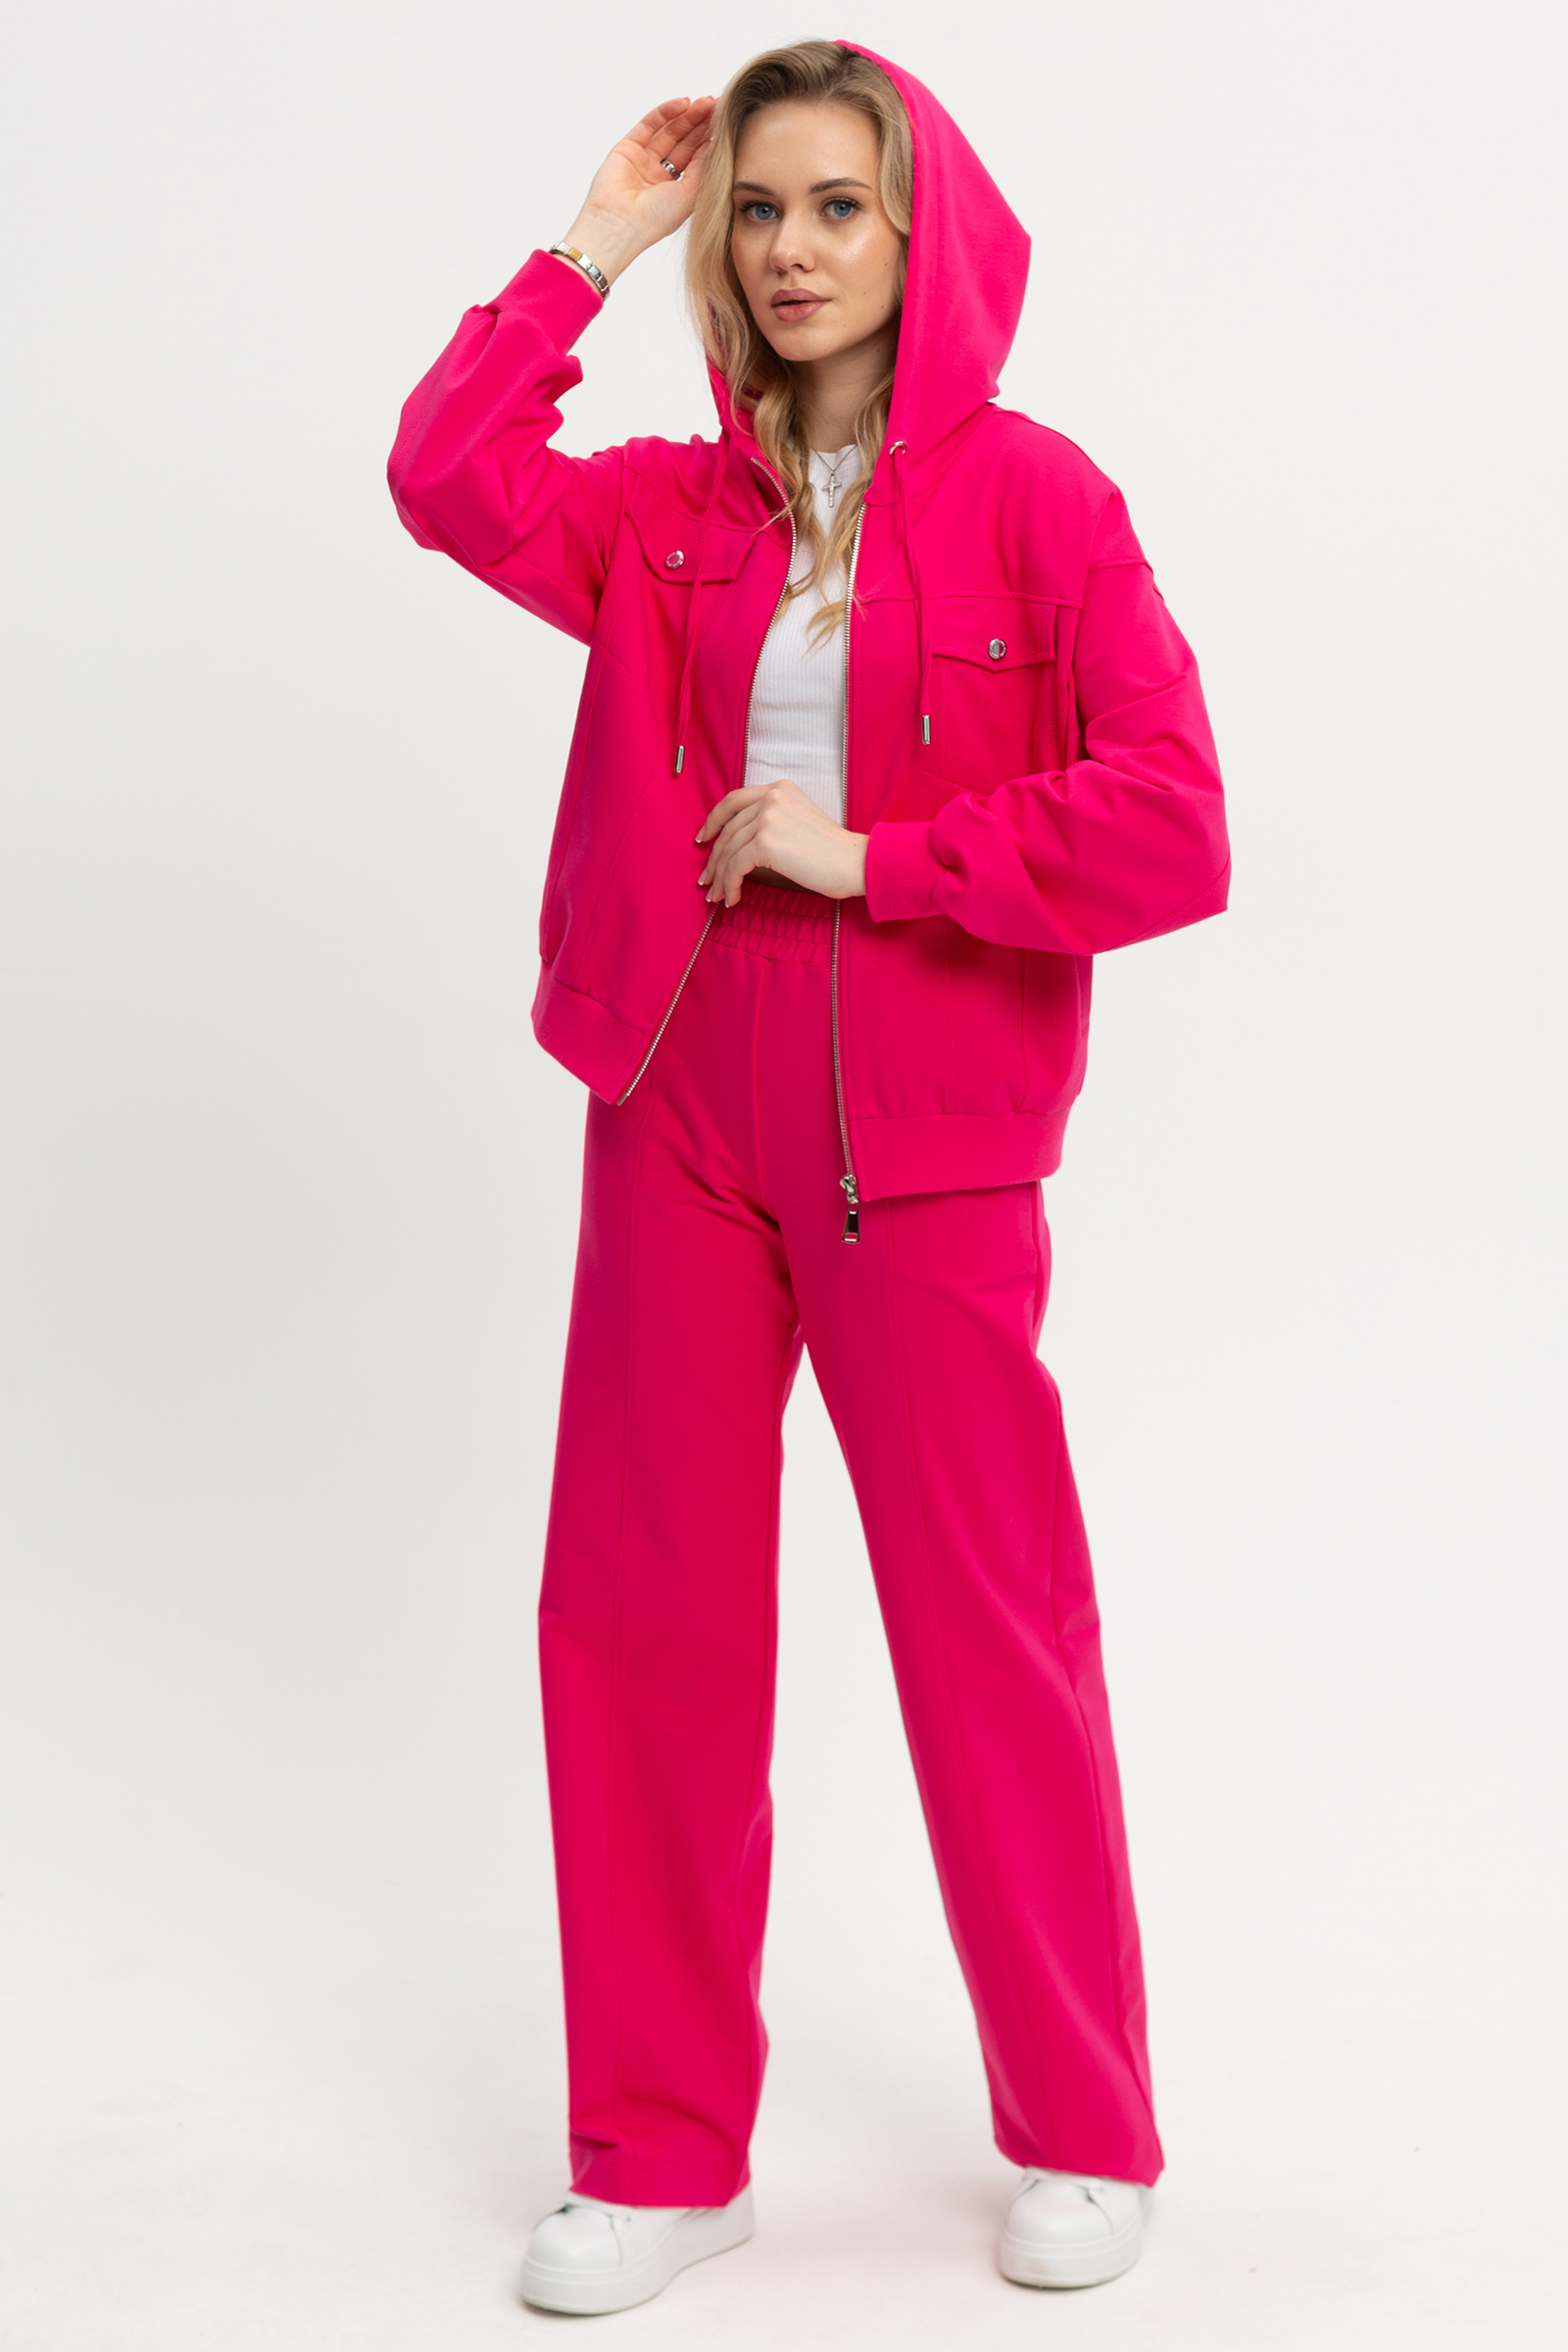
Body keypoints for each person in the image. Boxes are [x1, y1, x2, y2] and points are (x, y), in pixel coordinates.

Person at [388, 37, 1227, 2317]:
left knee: (986, 1624)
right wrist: (588, 247)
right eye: (755, 206)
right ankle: (659, 2156)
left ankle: (1084, 2126)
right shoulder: (670, 510)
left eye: (835, 204)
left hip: (924, 1121)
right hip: (677, 1084)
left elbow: (1172, 819)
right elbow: (443, 478)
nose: (786, 248)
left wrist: (884, 859)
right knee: (637, 1615)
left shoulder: (1037, 500)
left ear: (917, 231)